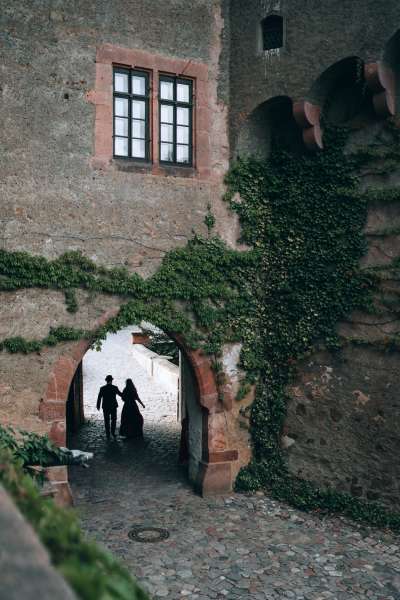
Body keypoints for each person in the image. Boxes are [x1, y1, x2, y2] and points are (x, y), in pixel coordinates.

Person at [96, 375, 122, 440]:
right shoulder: (115, 387)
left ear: (106, 381)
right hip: (113, 406)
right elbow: (120, 394)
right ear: (111, 380)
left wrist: (98, 405)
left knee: (106, 420)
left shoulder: (102, 388)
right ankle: (113, 432)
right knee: (114, 419)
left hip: (105, 406)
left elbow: (99, 397)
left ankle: (108, 434)